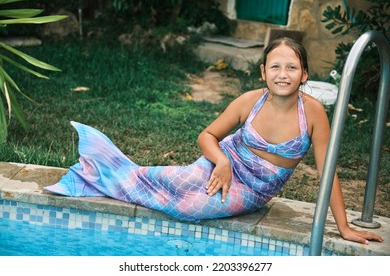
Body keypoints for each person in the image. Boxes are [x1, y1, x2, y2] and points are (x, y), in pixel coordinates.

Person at [44, 37, 383, 245]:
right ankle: (96, 172)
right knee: (171, 179)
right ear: (263, 72)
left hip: (253, 189)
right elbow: (207, 135)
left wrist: (345, 228)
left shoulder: (313, 115)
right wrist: (221, 161)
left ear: (304, 75)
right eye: (275, 67)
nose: (283, 74)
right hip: (225, 162)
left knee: (189, 207)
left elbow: (328, 173)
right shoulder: (249, 101)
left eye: (292, 68)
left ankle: (100, 176)